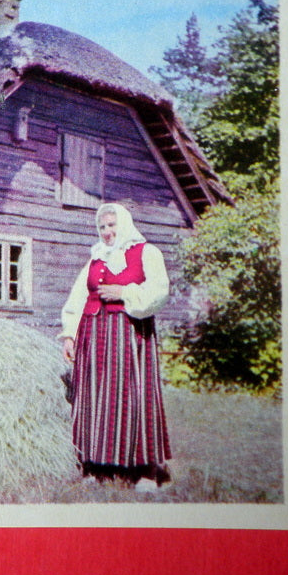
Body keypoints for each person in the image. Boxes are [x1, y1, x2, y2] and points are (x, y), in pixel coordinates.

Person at [58, 202, 172, 492]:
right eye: (102, 227)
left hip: (128, 335)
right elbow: (78, 297)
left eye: (112, 225)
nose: (107, 232)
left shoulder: (146, 253)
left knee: (132, 396)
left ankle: (145, 469)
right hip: (93, 334)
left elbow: (159, 292)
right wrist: (70, 334)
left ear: (124, 223)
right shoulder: (95, 258)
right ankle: (97, 465)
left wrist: (125, 292)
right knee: (94, 398)